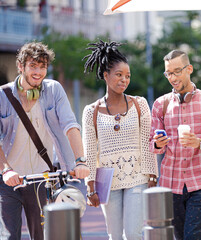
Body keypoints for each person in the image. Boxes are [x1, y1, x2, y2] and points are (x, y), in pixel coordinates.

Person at [0, 41, 90, 240]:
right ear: (20, 66)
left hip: (42, 180)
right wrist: (6, 169)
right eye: (33, 66)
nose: (38, 72)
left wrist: (80, 160)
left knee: (41, 236)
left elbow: (70, 125)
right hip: (9, 180)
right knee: (8, 236)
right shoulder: (2, 95)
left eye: (42, 67)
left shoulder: (53, 90)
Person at [82, 40, 158, 240]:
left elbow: (146, 142)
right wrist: (90, 186)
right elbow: (89, 151)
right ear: (105, 76)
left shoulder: (140, 104)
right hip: (107, 181)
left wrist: (152, 176)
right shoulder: (91, 111)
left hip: (137, 177)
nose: (124, 80)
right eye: (119, 75)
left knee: (133, 233)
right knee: (114, 235)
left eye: (127, 76)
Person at [150, 50, 201, 240]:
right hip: (171, 183)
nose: (173, 78)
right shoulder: (161, 104)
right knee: (179, 237)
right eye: (169, 73)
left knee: (193, 237)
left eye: (177, 71)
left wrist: (200, 143)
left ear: (189, 69)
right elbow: (153, 144)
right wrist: (158, 144)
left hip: (200, 182)